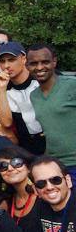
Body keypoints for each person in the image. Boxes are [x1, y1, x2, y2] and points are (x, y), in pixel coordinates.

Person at [27, 44, 76, 181]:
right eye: (33, 63)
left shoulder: (71, 85)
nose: (39, 67)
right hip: (56, 167)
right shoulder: (34, 95)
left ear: (54, 62)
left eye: (45, 62)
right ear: (27, 66)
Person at [0, 42, 45, 156]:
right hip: (27, 150)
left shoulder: (40, 79)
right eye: (2, 61)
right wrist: (1, 89)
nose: (6, 65)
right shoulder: (2, 88)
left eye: (11, 60)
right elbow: (6, 123)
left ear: (23, 59)